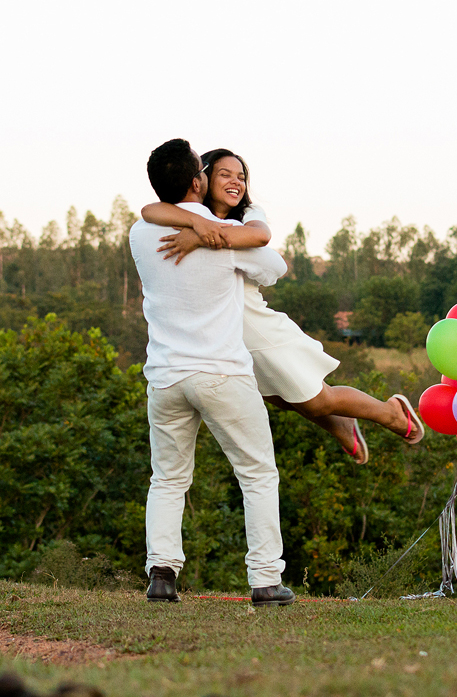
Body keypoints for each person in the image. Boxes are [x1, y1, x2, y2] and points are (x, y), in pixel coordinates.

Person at [141, 148, 424, 465]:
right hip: (220, 337)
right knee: (277, 397)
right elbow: (148, 210)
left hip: (252, 325)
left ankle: (389, 412)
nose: (236, 182)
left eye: (241, 177)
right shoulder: (192, 216)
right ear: (201, 178)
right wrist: (199, 227)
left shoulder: (248, 217)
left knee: (315, 400)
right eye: (225, 174)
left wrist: (204, 238)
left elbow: (269, 257)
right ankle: (343, 424)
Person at [129, 138, 296, 607]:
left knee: (167, 478)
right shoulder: (226, 233)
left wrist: (199, 229)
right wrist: (217, 229)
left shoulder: (140, 233)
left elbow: (150, 211)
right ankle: (265, 580)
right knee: (258, 474)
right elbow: (274, 266)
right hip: (222, 372)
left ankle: (162, 574)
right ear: (198, 181)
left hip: (165, 377)